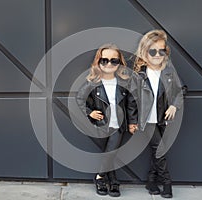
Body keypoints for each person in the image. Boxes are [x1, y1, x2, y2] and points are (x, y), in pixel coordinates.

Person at [76, 43, 137, 197]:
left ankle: (100, 177)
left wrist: (132, 122)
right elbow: (79, 98)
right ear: (99, 62)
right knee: (110, 153)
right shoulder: (93, 82)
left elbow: (131, 103)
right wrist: (89, 112)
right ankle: (112, 180)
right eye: (104, 60)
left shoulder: (124, 82)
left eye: (114, 61)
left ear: (119, 63)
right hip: (102, 125)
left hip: (118, 125)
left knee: (110, 153)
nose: (109, 64)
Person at [133, 30, 183, 198]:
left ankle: (151, 181)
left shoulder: (169, 72)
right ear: (144, 52)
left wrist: (174, 106)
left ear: (165, 52)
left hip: (163, 119)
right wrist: (132, 121)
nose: (156, 54)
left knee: (157, 151)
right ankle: (167, 183)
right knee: (159, 150)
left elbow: (179, 91)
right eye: (152, 51)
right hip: (146, 120)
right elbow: (132, 100)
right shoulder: (139, 74)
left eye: (161, 50)